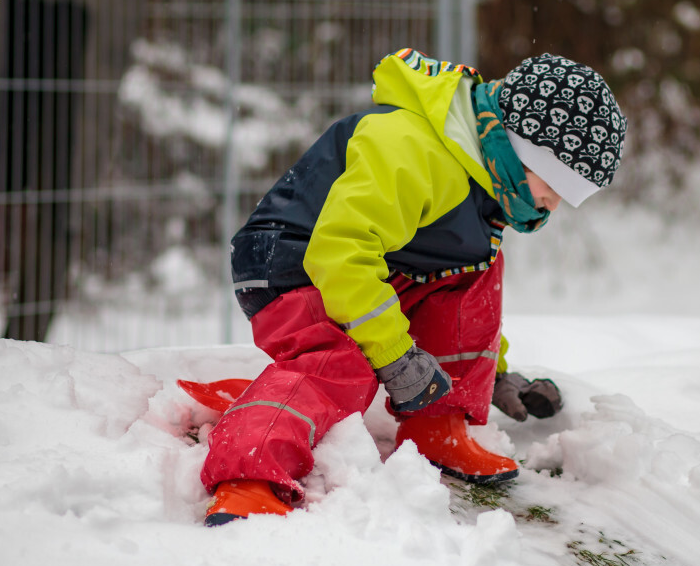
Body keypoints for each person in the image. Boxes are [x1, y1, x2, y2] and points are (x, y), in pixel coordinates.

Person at [202, 48, 627, 525]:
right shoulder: (410, 147)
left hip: (367, 265)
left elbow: (453, 291)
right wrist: (392, 353)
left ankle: (436, 425)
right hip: (292, 260)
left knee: (477, 266)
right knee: (344, 363)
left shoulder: (483, 176)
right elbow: (340, 251)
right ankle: (249, 476)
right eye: (555, 180)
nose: (555, 200)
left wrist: (494, 374)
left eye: (574, 194)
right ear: (519, 144)